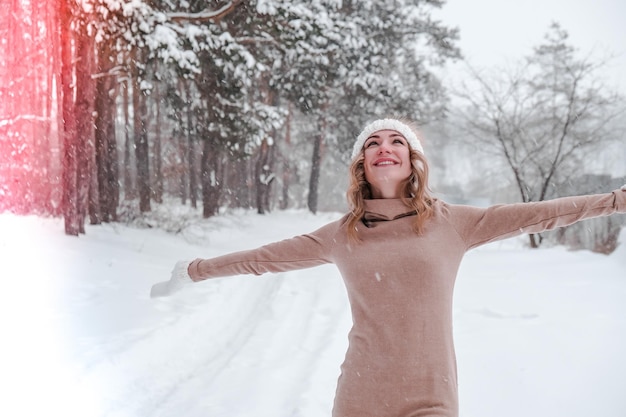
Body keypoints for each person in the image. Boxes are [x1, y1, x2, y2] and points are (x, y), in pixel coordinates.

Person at [150, 118, 626, 417]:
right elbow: (263, 258)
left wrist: (615, 201)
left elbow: (542, 212)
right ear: (362, 165)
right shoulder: (342, 233)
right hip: (359, 396)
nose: (385, 146)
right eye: (373, 142)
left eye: (397, 140)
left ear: (412, 161)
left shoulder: (454, 223)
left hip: (431, 397)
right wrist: (193, 270)